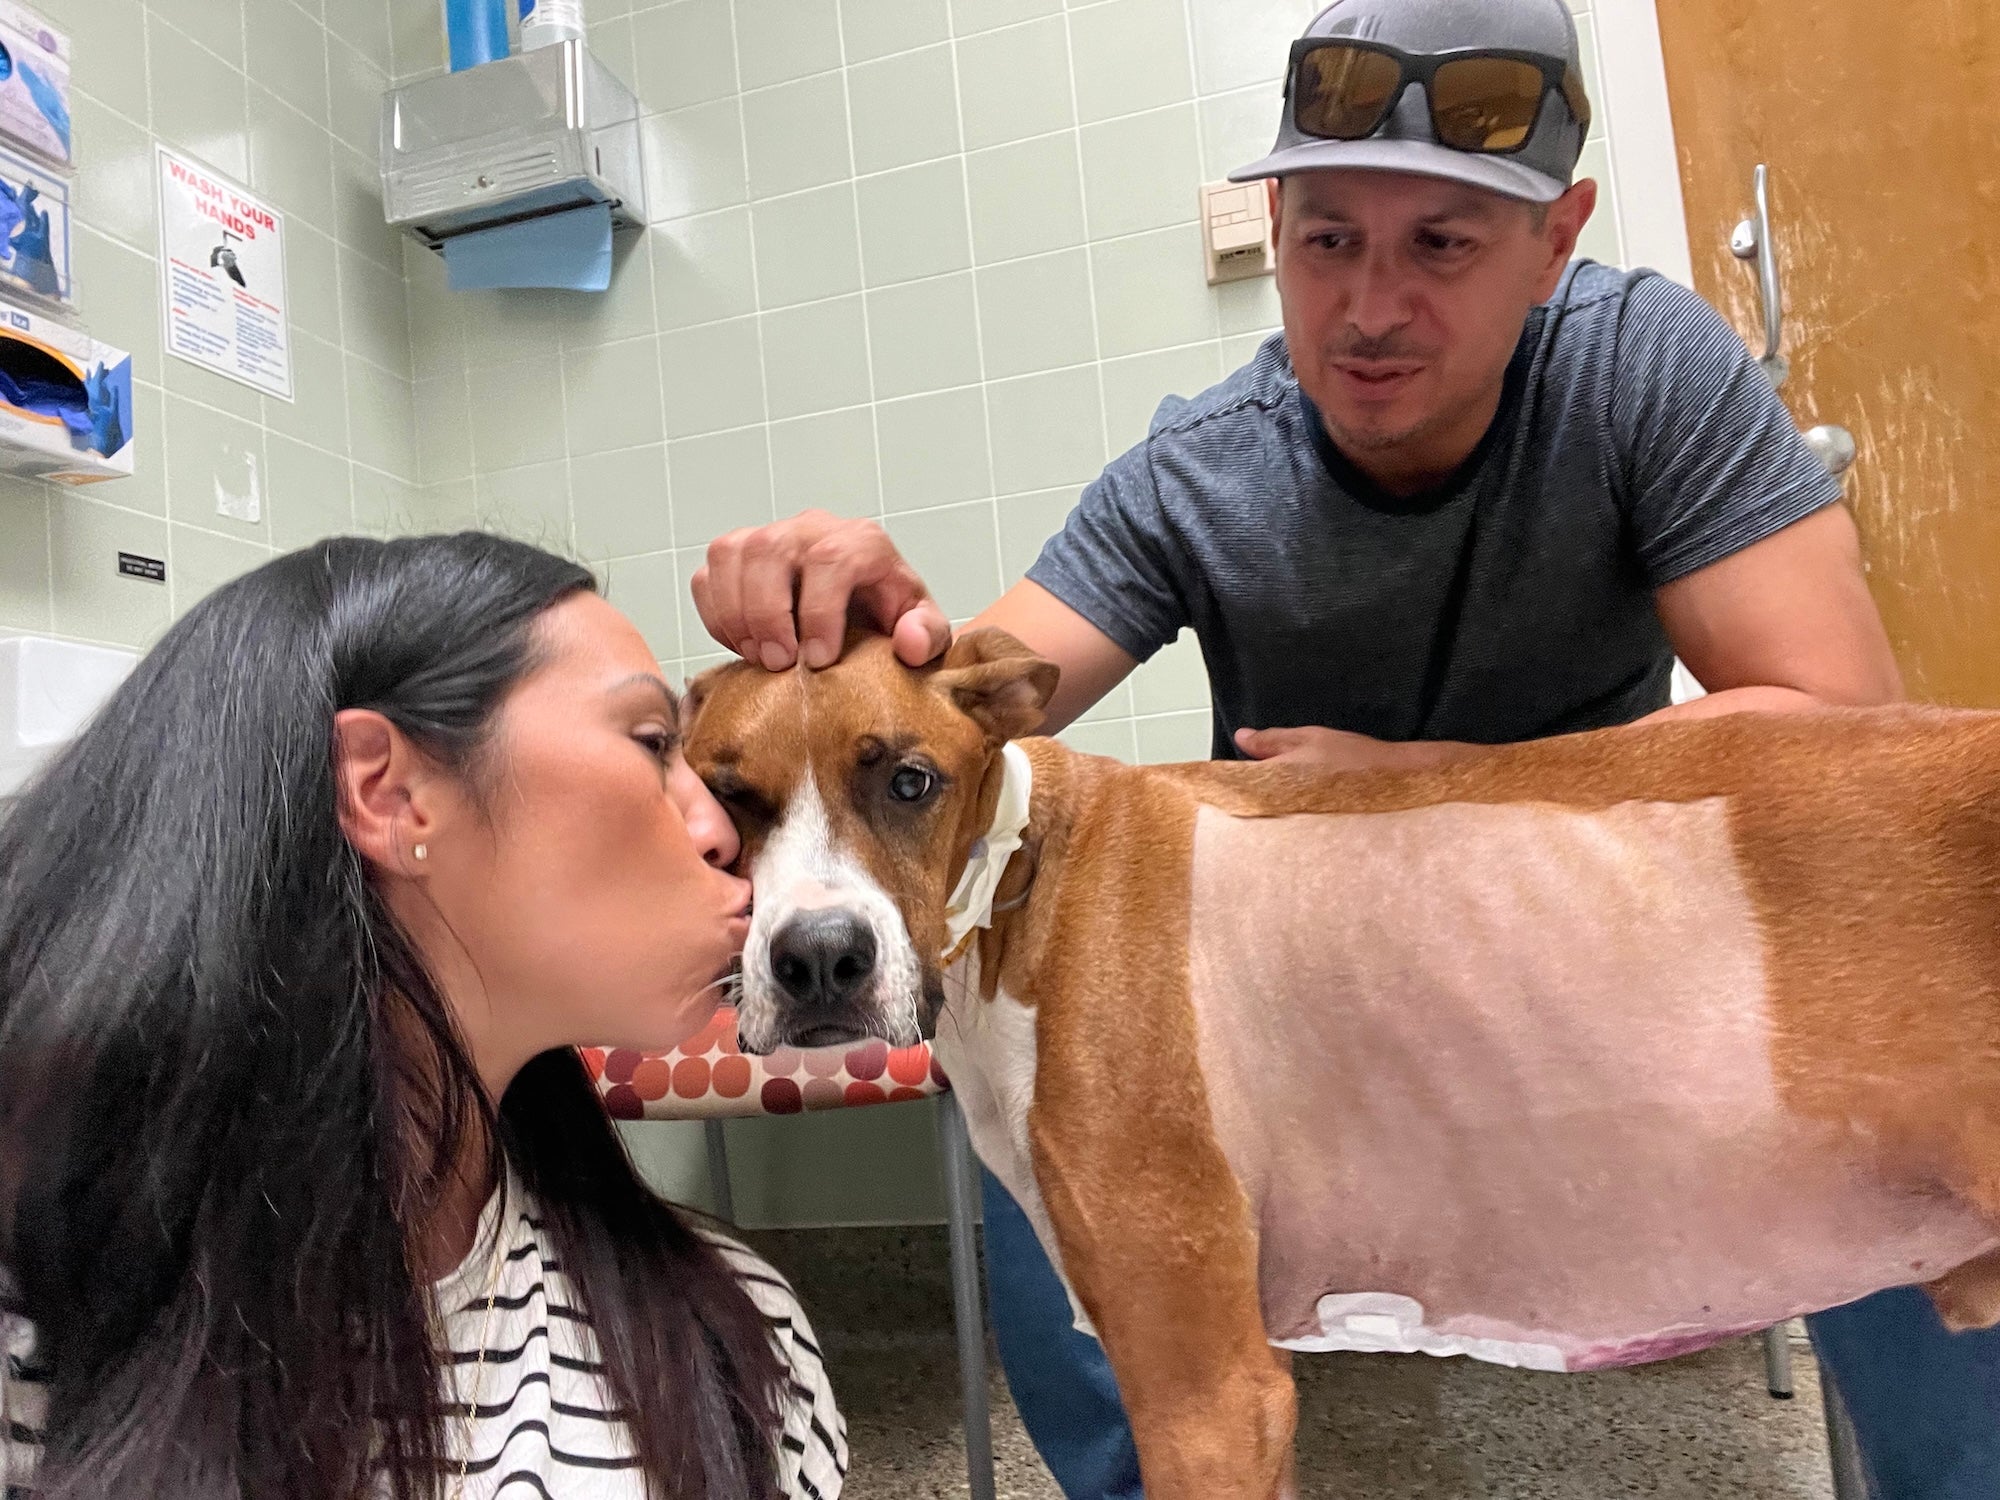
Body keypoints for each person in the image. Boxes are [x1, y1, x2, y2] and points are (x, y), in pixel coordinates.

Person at [689, 0, 2000, 1493]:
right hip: (1309, 986)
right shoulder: (1203, 463)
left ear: (1555, 238)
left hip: (1613, 951)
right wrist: (864, 611)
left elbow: (1841, 727)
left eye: (1441, 244)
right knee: (1046, 1098)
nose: (1371, 308)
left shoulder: (1645, 367)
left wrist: (1408, 785)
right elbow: (959, 705)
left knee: (1901, 1026)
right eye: (1327, 241)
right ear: (1274, 221)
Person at [0, 534, 846, 1500]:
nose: (722, 831)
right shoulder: (40, 1327)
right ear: (390, 792)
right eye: (654, 745)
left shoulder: (735, 1351)